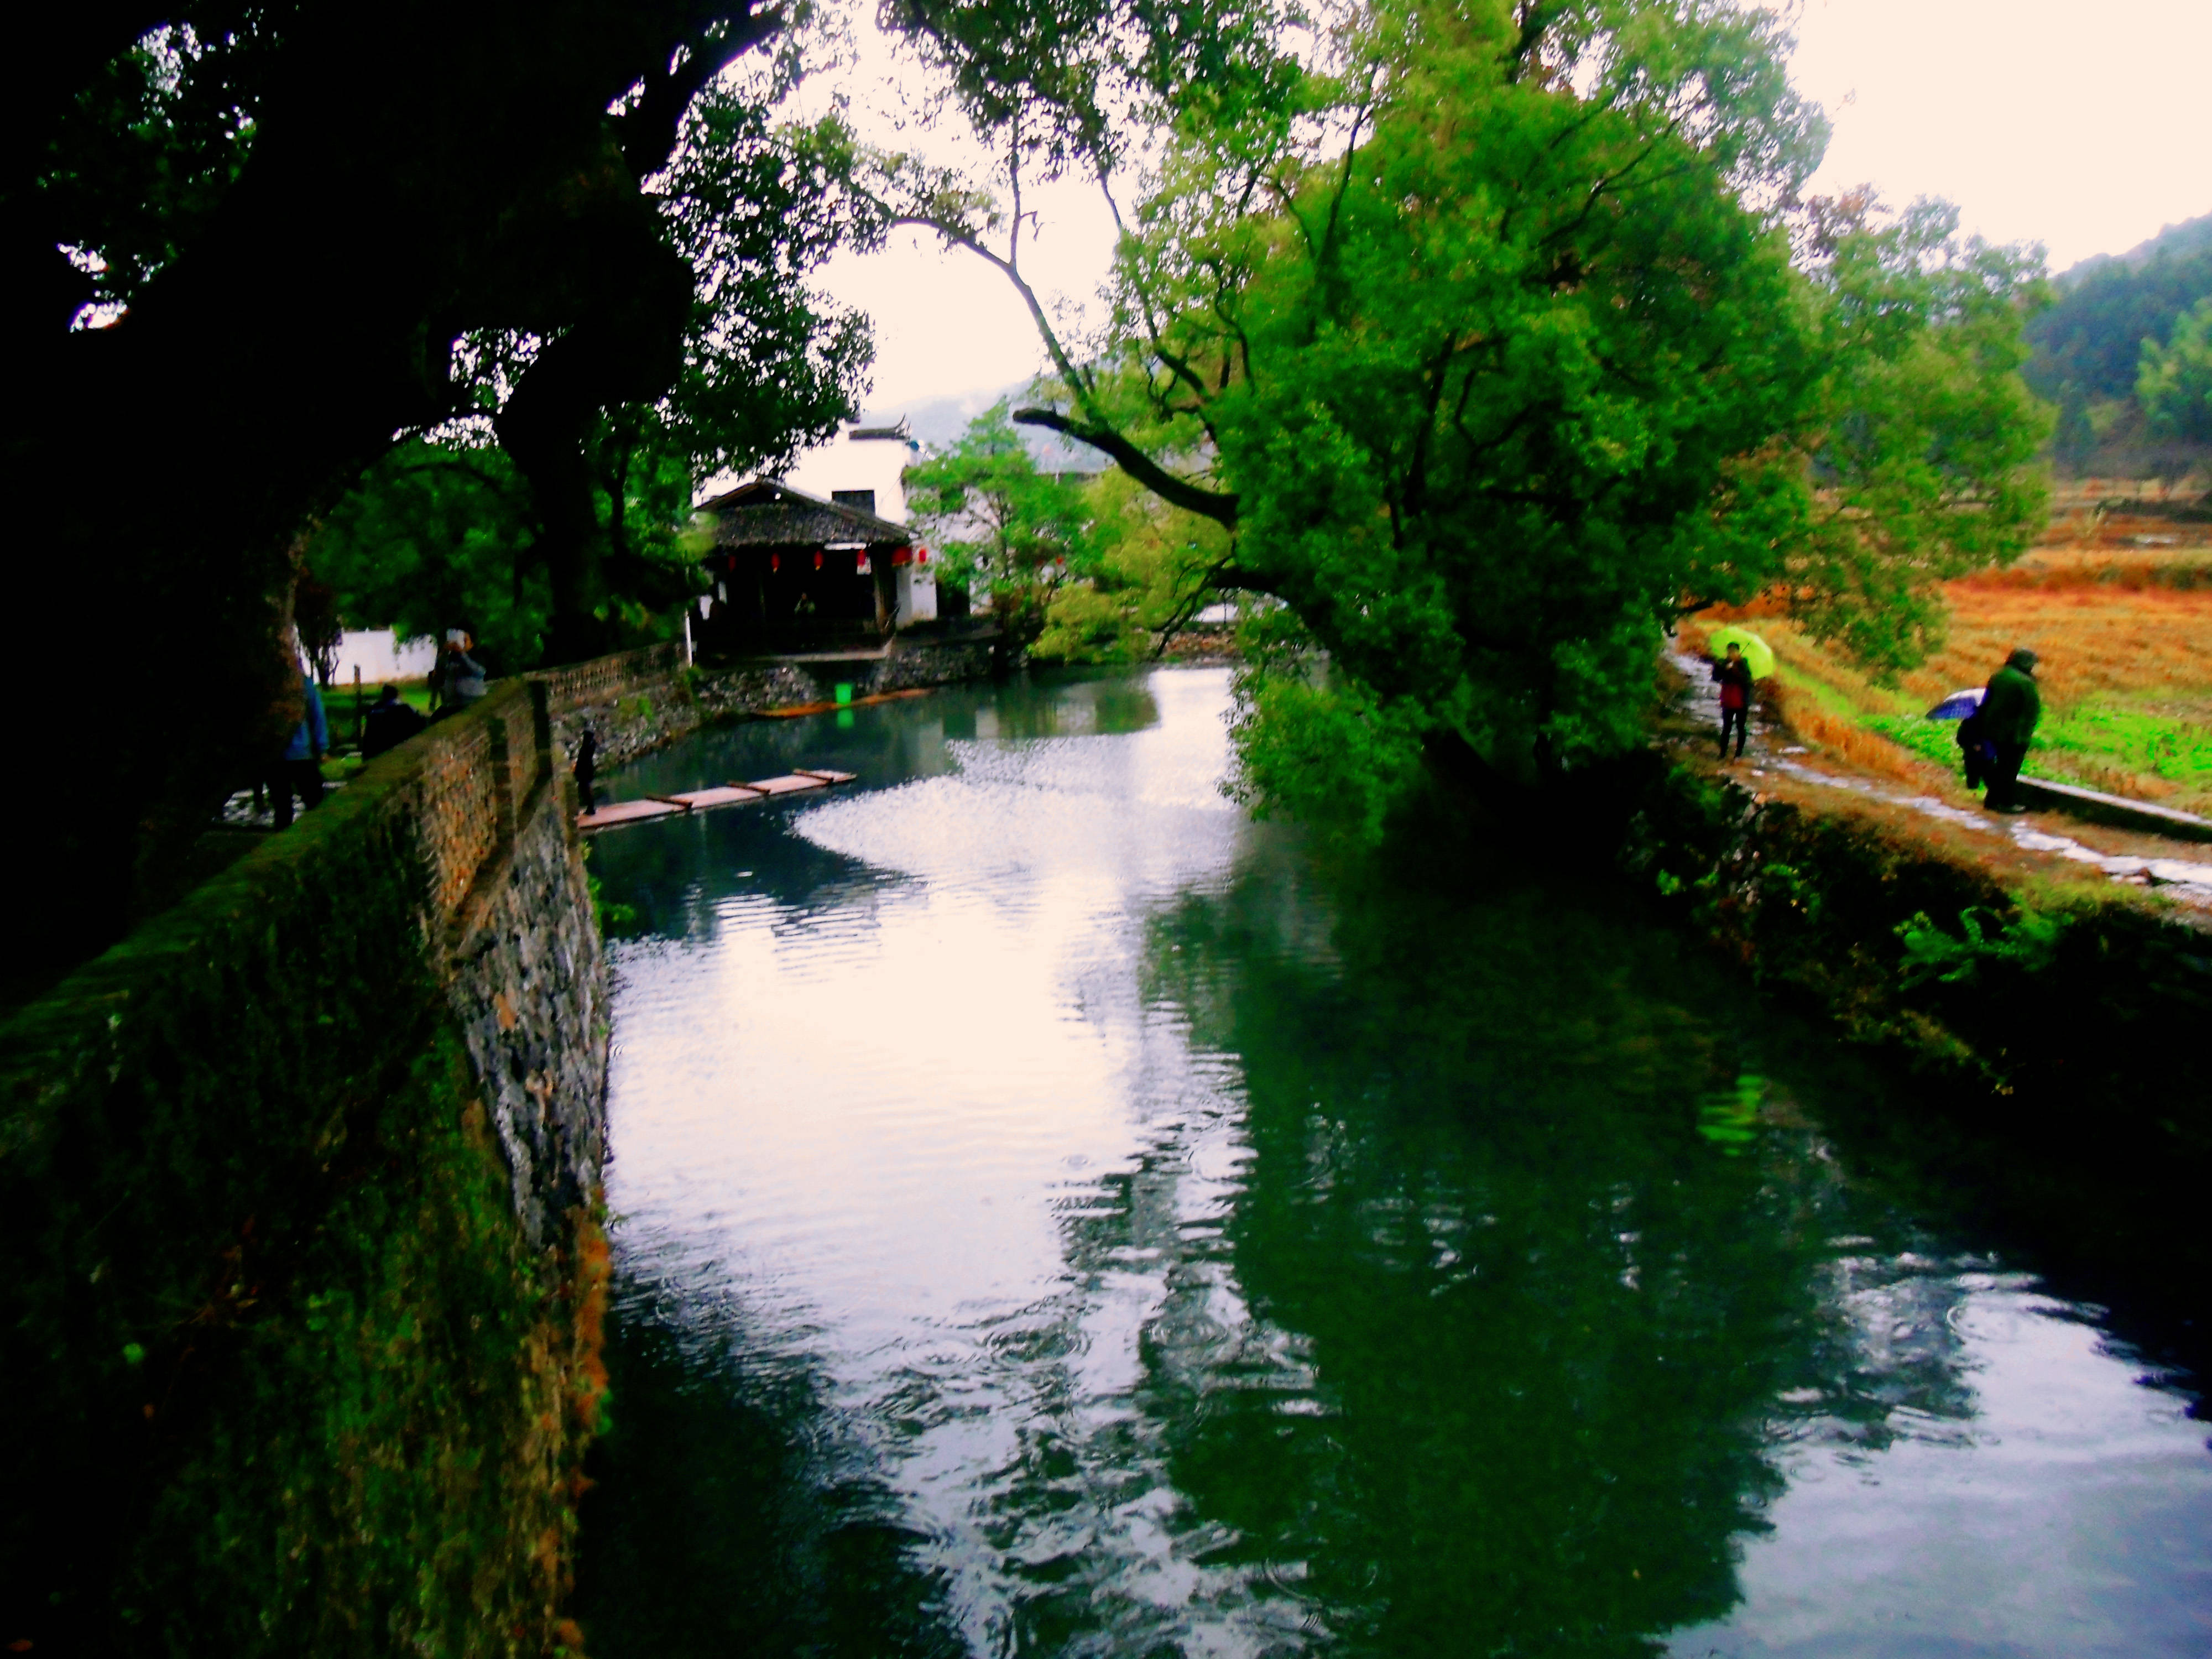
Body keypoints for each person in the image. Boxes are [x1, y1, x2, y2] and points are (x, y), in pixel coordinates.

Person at [1977, 646, 2042, 813]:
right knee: (2009, 769)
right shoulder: (2025, 682)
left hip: (1993, 730)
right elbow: (2031, 710)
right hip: (2015, 734)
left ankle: (1992, 801)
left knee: (2000, 767)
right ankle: (2005, 803)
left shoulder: (1999, 676)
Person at [270, 667, 328, 830]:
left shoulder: (268, 684)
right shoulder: (304, 684)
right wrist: (322, 747)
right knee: (315, 803)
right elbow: (317, 716)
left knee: (282, 808)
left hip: (276, 756)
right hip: (301, 754)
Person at [430, 627, 488, 719]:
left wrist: (462, 654)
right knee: (435, 718)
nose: (462, 643)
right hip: (453, 703)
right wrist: (444, 651)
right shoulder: (452, 657)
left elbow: (479, 672)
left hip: (470, 702)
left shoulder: (477, 656)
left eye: (465, 640)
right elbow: (440, 671)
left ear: (472, 643)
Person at [1710, 640, 1754, 760]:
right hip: (1728, 700)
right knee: (1726, 727)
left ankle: (1738, 753)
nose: (1732, 653)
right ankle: (1722, 753)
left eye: (1734, 651)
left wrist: (1736, 671)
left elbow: (1748, 682)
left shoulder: (1743, 664)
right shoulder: (1724, 662)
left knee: (1741, 727)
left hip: (1741, 701)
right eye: (1730, 651)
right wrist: (1719, 667)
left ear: (1738, 652)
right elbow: (1715, 678)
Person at [361, 684, 428, 758]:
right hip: (399, 752)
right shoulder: (405, 708)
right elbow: (422, 724)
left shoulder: (373, 710)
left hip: (374, 753)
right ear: (397, 695)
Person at [573, 726, 599, 815]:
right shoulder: (591, 745)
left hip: (584, 771)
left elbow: (582, 760)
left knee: (585, 789)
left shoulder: (586, 747)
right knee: (587, 788)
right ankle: (590, 807)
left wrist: (577, 770)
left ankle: (590, 808)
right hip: (588, 770)